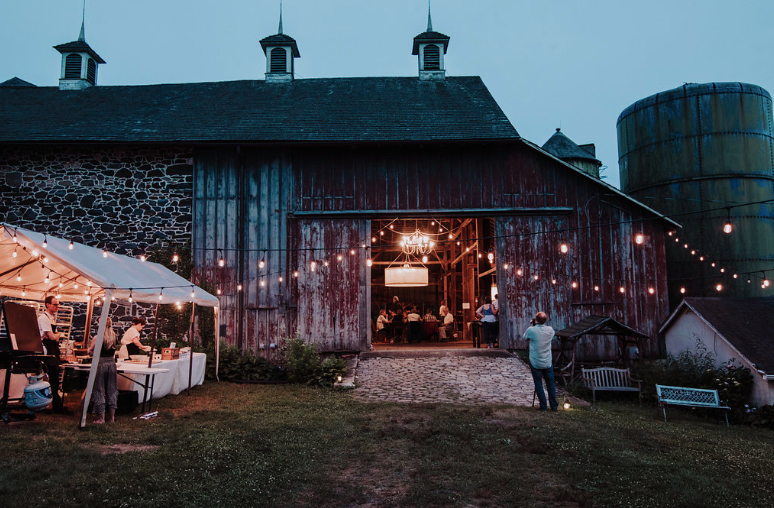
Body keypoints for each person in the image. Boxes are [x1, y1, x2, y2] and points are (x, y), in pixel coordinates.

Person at [37, 295, 68, 413]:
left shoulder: (51, 318)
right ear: (48, 305)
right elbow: (52, 337)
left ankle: (56, 404)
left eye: (58, 304)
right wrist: (57, 335)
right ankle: (53, 404)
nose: (57, 307)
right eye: (55, 304)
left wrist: (55, 335)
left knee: (55, 376)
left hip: (52, 349)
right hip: (46, 350)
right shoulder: (43, 318)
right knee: (52, 375)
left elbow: (53, 335)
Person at [523, 312, 559, 411]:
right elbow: (551, 334)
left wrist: (532, 325)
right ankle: (554, 406)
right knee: (550, 383)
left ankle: (543, 406)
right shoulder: (550, 330)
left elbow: (525, 338)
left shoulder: (531, 330)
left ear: (536, 319)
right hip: (547, 361)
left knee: (538, 383)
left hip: (536, 361)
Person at [88, 317, 118, 424]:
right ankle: (112, 417)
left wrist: (89, 350)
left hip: (101, 363)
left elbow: (90, 351)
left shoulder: (98, 337)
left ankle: (102, 418)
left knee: (99, 389)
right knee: (112, 389)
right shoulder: (114, 336)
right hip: (112, 363)